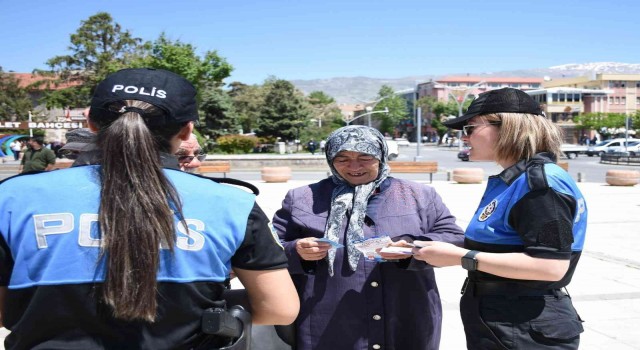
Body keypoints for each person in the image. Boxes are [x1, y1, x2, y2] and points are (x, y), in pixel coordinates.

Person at [0, 68, 299, 349]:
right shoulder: (233, 204)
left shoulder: (12, 198)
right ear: (186, 130)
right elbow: (280, 309)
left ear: (90, 122)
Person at [412, 88, 587, 349]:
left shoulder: (539, 184)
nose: (464, 138)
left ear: (506, 126)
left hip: (524, 325)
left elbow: (551, 266)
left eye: (470, 128)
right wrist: (432, 249)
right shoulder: (516, 179)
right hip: (507, 320)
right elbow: (504, 244)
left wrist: (461, 257)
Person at [273, 125, 464, 350]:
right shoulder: (303, 199)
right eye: (342, 158)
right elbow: (269, 249)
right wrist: (297, 250)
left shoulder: (419, 196)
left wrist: (411, 247)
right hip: (330, 325)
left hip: (405, 319)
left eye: (365, 157)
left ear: (381, 157)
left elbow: (454, 237)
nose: (354, 166)